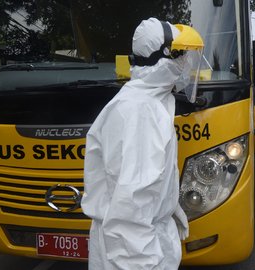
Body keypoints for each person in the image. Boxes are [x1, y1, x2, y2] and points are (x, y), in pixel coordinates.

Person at [81, 18, 204, 269]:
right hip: (133, 252)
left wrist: (168, 206)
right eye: (183, 56)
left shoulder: (149, 102)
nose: (187, 64)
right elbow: (129, 210)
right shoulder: (139, 111)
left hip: (144, 238)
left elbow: (147, 184)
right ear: (166, 59)